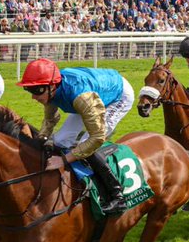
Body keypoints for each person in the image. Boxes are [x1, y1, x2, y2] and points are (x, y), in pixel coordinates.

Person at [17, 58, 134, 216]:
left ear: (52, 86)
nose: (33, 97)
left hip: (117, 95)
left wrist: (63, 160)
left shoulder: (81, 97)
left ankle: (117, 196)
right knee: (60, 140)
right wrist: (41, 139)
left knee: (87, 143)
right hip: (90, 93)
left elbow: (97, 137)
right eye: (30, 90)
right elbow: (51, 119)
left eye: (37, 90)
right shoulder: (50, 91)